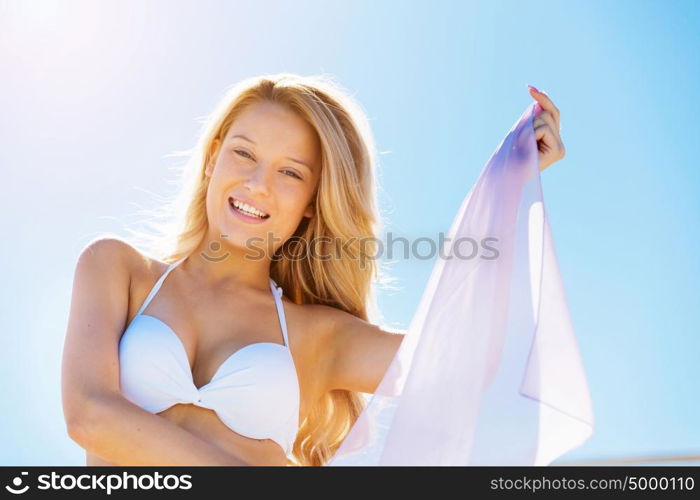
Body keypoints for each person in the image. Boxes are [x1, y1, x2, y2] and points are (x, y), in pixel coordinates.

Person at [61, 74, 588, 467]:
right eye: (244, 154)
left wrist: (513, 186)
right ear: (212, 159)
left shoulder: (318, 336)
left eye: (290, 172)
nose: (258, 184)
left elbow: (466, 362)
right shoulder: (118, 270)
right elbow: (88, 413)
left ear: (314, 201)